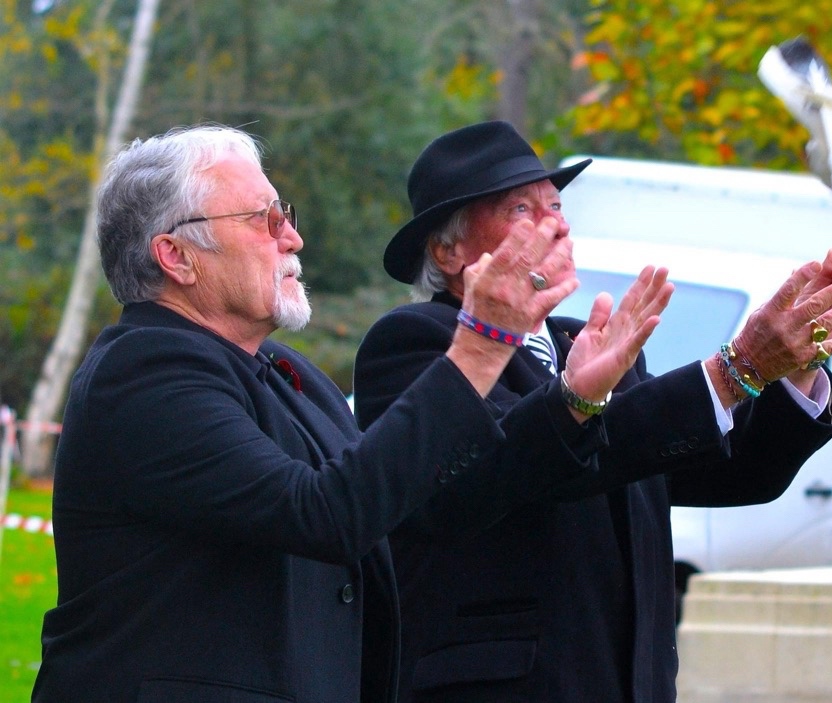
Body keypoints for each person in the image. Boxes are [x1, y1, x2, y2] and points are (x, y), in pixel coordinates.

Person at [31, 124, 672, 703]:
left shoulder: (290, 373)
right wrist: (481, 343)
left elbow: (391, 494)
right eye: (263, 218)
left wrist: (577, 399)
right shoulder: (144, 373)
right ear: (177, 257)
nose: (293, 236)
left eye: (285, 213)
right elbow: (327, 514)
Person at [353, 120, 832, 703]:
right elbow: (514, 464)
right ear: (449, 251)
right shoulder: (415, 343)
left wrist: (796, 359)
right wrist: (736, 368)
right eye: (522, 209)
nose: (557, 222)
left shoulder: (591, 341)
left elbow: (728, 471)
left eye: (556, 203)